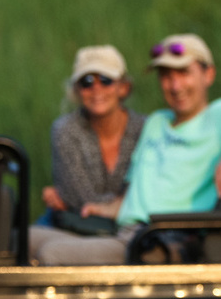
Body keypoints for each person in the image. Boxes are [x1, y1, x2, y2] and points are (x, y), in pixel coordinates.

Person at [28, 33, 221, 265]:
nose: (175, 85)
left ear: (208, 75)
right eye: (166, 75)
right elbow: (137, 192)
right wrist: (106, 207)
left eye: (183, 73)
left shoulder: (219, 115)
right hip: (125, 231)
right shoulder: (157, 121)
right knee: (23, 240)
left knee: (52, 254)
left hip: (160, 239)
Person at [39, 45, 145, 229]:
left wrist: (120, 205)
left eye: (106, 80)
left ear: (123, 87)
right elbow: (80, 198)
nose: (97, 88)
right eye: (86, 82)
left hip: (132, 226)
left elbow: (151, 191)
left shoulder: (145, 129)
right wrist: (125, 201)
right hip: (80, 224)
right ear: (77, 90)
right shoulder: (65, 130)